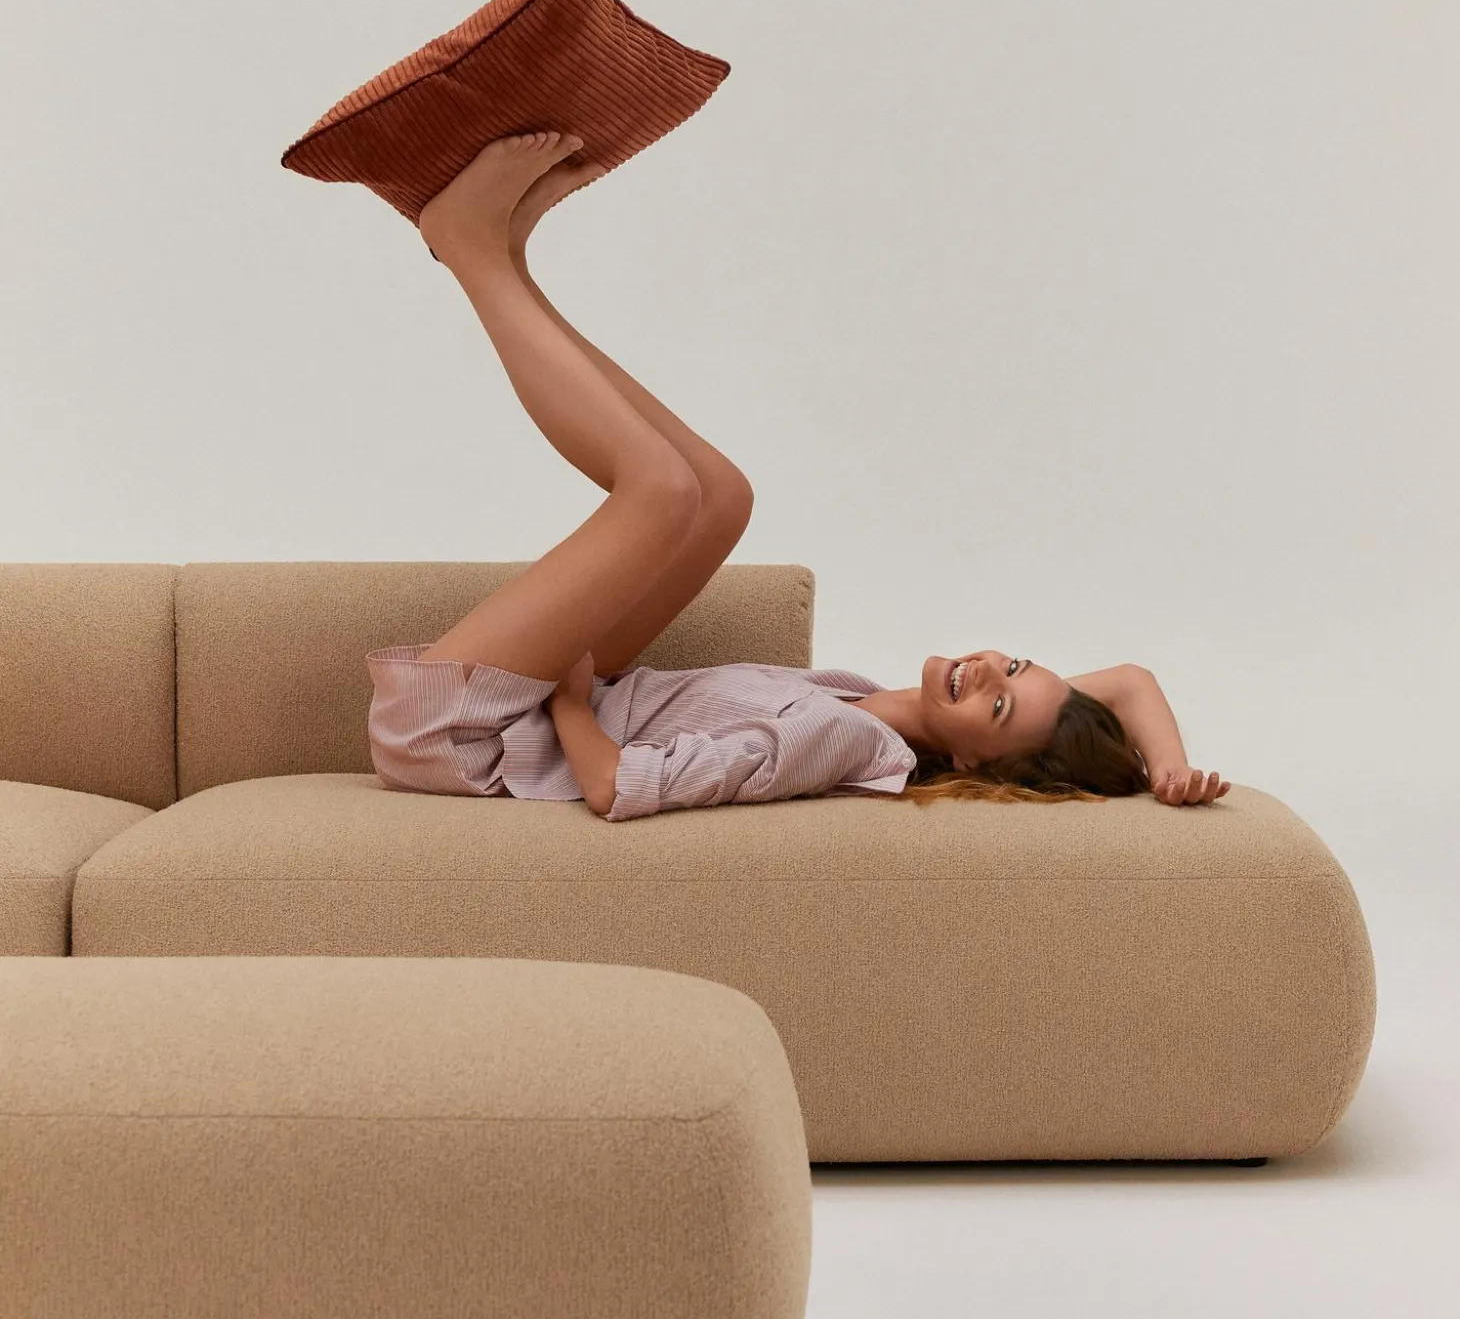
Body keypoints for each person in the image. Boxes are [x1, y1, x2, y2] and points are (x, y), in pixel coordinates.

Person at [366, 132, 1229, 821]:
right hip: (536, 709)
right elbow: (1129, 680)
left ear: (972, 760)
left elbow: (617, 786)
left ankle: (467, 245)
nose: (989, 672)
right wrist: (1170, 771)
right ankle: (510, 263)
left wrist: (570, 700)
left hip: (462, 741)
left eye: (998, 707)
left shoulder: (845, 742)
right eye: (1017, 664)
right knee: (723, 497)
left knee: (662, 491)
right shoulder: (868, 704)